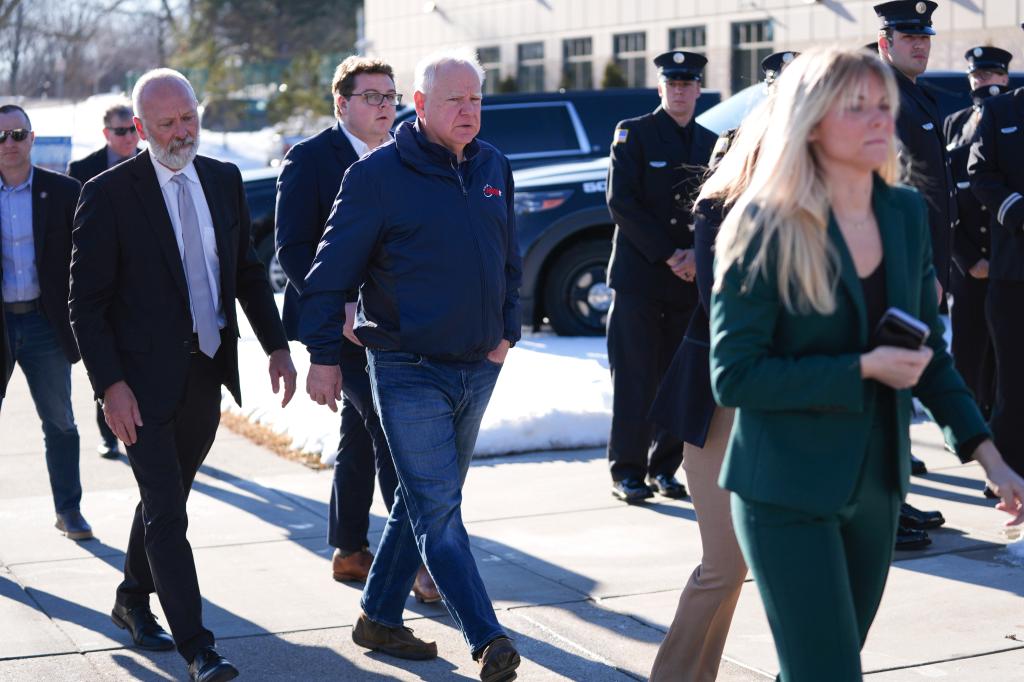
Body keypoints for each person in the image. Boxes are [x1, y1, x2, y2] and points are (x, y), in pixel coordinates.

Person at [710, 46, 1024, 680]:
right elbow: (735, 374)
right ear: (812, 121)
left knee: (822, 665)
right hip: (785, 488)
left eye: (885, 105)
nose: (882, 119)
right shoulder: (764, 222)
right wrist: (863, 367)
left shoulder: (904, 213)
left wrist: (991, 458)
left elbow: (925, 351)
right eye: (858, 108)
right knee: (828, 672)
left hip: (875, 491)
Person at [300, 48, 522, 681]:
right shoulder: (376, 176)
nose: (468, 111)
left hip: (477, 366)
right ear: (420, 105)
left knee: (425, 500)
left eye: (476, 99)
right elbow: (326, 274)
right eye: (454, 100)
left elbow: (510, 260)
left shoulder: (492, 165)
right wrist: (321, 355)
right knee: (439, 508)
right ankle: (487, 635)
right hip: (406, 367)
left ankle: (377, 615)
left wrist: (505, 333)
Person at [70, 69, 297, 682]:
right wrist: (108, 385)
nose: (180, 133)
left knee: (166, 501)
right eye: (166, 125)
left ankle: (130, 600)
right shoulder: (109, 193)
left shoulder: (223, 180)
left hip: (205, 371)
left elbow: (247, 273)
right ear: (139, 129)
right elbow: (85, 304)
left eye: (188, 118)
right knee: (170, 513)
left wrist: (276, 347)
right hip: (137, 387)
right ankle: (201, 649)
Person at [647, 52, 793, 682]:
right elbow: (723, 304)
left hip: (783, 402)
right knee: (725, 564)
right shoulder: (722, 206)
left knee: (764, 565)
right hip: (719, 400)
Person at [275, 55, 438, 601]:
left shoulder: (403, 155)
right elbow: (293, 249)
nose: (385, 106)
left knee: (363, 432)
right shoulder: (310, 159)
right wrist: (340, 304)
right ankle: (417, 560)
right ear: (341, 103)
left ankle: (349, 548)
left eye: (390, 96)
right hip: (338, 325)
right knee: (395, 434)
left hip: (393, 323)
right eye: (372, 97)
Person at [604, 50, 717, 503]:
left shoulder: (711, 142)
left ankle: (665, 468)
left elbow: (716, 206)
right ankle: (628, 470)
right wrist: (671, 252)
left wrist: (696, 256)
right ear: (660, 87)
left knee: (679, 378)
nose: (680, 91)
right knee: (634, 377)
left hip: (689, 281)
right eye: (672, 84)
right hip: (641, 278)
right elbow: (622, 202)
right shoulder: (634, 134)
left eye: (687, 84)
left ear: (698, 89)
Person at [874, 0, 951, 547]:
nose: (920, 45)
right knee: (885, 389)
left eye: (924, 36)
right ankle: (882, 509)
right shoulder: (881, 97)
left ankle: (894, 496)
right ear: (885, 43)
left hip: (924, 266)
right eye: (908, 37)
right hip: (896, 268)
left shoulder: (919, 95)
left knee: (901, 388)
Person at [0, 104, 91, 541]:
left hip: (44, 325)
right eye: (0, 137)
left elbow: (88, 261)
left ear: (31, 138)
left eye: (17, 134)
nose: (9, 144)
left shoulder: (64, 192)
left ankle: (69, 510)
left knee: (60, 421)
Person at [66, 100, 141, 461]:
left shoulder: (156, 164)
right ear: (106, 133)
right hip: (104, 284)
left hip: (145, 284)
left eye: (132, 129)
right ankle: (109, 433)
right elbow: (72, 231)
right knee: (107, 361)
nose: (128, 137)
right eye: (120, 131)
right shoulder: (83, 171)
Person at [968, 22, 1024, 482]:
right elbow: (981, 176)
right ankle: (1008, 475)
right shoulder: (1003, 110)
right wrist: (1020, 211)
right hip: (1014, 272)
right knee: (1013, 380)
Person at [944, 47, 1011, 425]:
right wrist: (967, 258)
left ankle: (999, 426)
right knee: (967, 354)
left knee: (1006, 356)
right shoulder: (955, 124)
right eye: (977, 75)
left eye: (991, 75)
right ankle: (968, 427)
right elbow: (945, 198)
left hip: (1008, 262)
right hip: (969, 264)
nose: (983, 81)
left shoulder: (1012, 118)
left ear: (1005, 77)